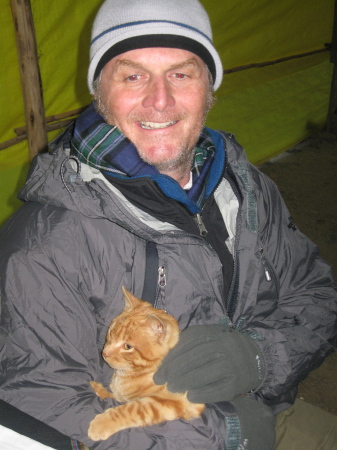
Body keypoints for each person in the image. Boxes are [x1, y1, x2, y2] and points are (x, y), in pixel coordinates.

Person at [0, 0, 336, 448]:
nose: (160, 100)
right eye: (133, 75)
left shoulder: (247, 188)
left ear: (210, 88)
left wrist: (260, 357)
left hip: (275, 405)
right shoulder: (44, 244)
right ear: (100, 93)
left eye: (182, 73)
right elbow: (47, 407)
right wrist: (228, 433)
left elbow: (317, 294)